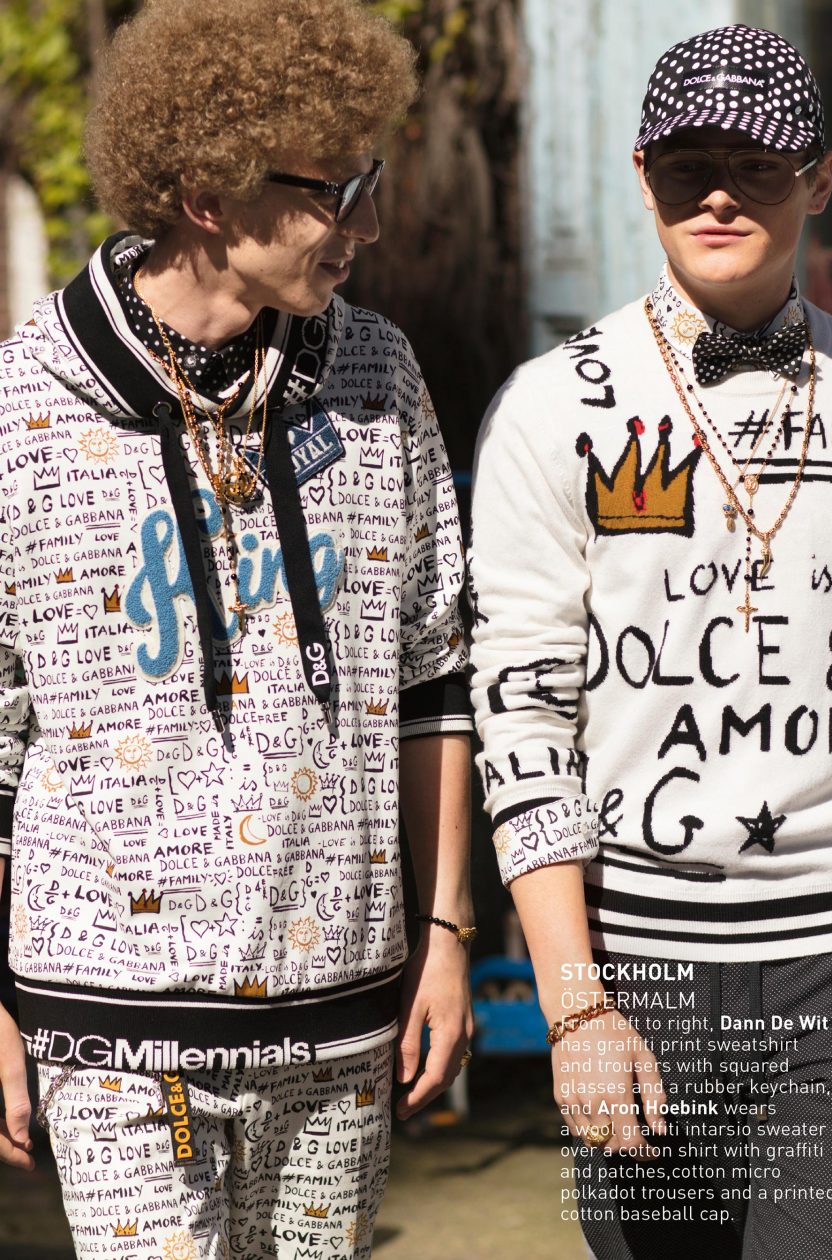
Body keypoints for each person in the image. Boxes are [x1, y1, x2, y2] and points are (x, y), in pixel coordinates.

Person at [0, 1, 475, 1256]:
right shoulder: (20, 409)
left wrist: (444, 933)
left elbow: (434, 674)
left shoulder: (377, 376)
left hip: (342, 1016)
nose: (367, 225)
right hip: (107, 1019)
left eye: (371, 183)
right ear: (210, 196)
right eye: (337, 194)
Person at [470, 23, 832, 1260]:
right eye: (685, 166)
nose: (718, 195)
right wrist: (573, 1006)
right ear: (641, 174)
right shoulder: (553, 405)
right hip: (636, 968)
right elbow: (520, 708)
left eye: (756, 165)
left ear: (820, 180)